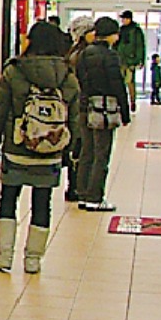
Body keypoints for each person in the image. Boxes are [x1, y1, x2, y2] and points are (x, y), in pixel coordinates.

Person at [0, 21, 81, 274]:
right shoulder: (67, 75)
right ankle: (33, 259)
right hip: (50, 149)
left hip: (17, 146)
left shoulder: (15, 71)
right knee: (42, 202)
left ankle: (5, 255)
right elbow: (75, 116)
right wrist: (72, 150)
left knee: (8, 198)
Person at [75, 16, 130, 212]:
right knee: (102, 153)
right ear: (112, 34)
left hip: (85, 106)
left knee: (87, 151)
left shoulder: (84, 54)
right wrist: (125, 111)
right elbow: (117, 85)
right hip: (104, 109)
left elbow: (80, 79)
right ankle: (95, 197)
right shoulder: (110, 56)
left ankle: (81, 193)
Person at [63, 16, 95, 202]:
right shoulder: (82, 54)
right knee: (80, 147)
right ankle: (76, 186)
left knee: (76, 146)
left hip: (73, 105)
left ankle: (74, 185)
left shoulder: (73, 52)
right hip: (79, 106)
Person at [116, 10, 146, 112]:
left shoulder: (136, 31)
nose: (123, 20)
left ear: (129, 19)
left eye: (124, 18)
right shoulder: (120, 30)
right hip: (120, 60)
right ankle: (122, 103)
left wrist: (139, 60)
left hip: (130, 61)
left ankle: (132, 102)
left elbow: (140, 46)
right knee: (120, 82)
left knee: (129, 82)